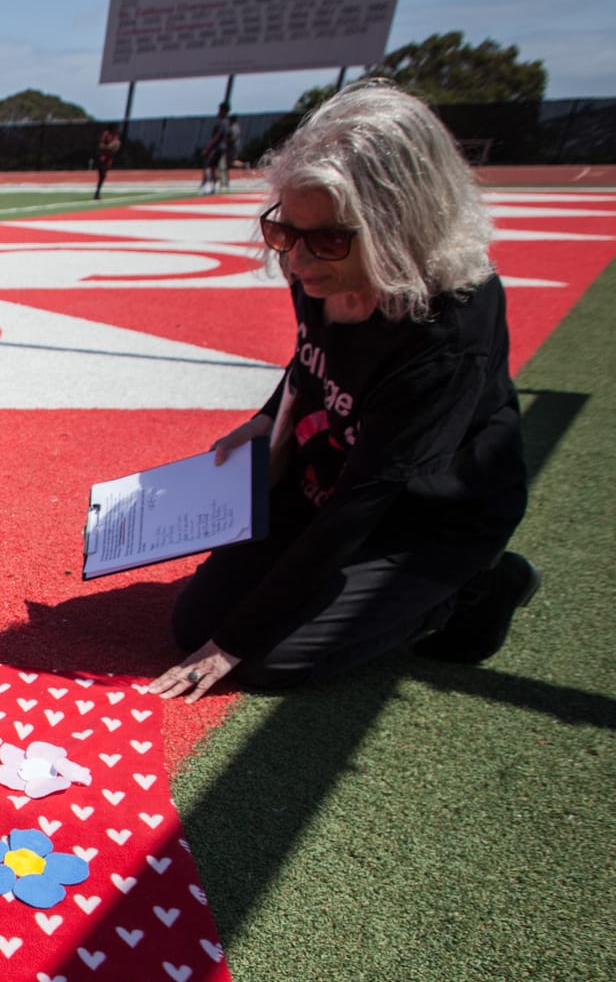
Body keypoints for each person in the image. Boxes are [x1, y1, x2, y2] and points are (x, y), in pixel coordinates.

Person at [149, 82, 536, 703]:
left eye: (325, 239)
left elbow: (370, 497)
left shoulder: (449, 328)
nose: (297, 262)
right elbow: (310, 359)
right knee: (193, 624)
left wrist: (235, 644)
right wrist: (267, 418)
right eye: (283, 232)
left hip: (423, 517)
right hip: (329, 477)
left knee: (268, 660)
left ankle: (474, 589)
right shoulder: (321, 262)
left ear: (401, 226)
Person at [198, 104, 240, 194]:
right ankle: (215, 185)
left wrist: (208, 149)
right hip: (223, 147)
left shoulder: (221, 122)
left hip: (217, 147)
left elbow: (216, 137)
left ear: (224, 111)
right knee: (215, 166)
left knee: (208, 165)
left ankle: (207, 185)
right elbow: (230, 135)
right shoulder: (227, 123)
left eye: (220, 109)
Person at [94, 127, 121, 200]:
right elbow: (100, 145)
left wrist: (114, 148)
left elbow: (117, 145)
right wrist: (108, 147)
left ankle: (97, 192)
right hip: (102, 157)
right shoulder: (106, 134)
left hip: (109, 159)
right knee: (102, 175)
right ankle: (97, 193)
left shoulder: (116, 136)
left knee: (103, 176)